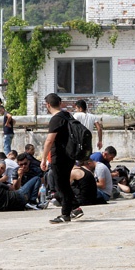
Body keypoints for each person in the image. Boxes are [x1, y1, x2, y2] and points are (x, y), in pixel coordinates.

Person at [41, 93, 83, 223]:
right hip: (70, 155)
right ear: (60, 103)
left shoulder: (56, 119)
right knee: (64, 184)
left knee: (60, 186)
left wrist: (43, 159)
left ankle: (65, 214)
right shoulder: (67, 115)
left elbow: (49, 140)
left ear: (48, 105)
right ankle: (75, 208)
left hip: (59, 156)